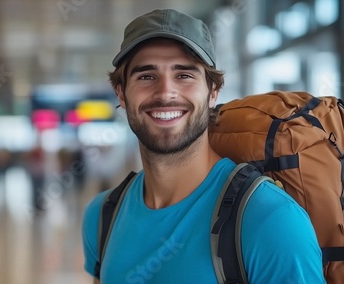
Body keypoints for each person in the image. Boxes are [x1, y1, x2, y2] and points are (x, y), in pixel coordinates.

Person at [82, 9, 325, 283]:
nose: (165, 92)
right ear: (121, 94)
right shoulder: (103, 216)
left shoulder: (270, 221)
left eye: (184, 75)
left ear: (213, 92)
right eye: (146, 76)